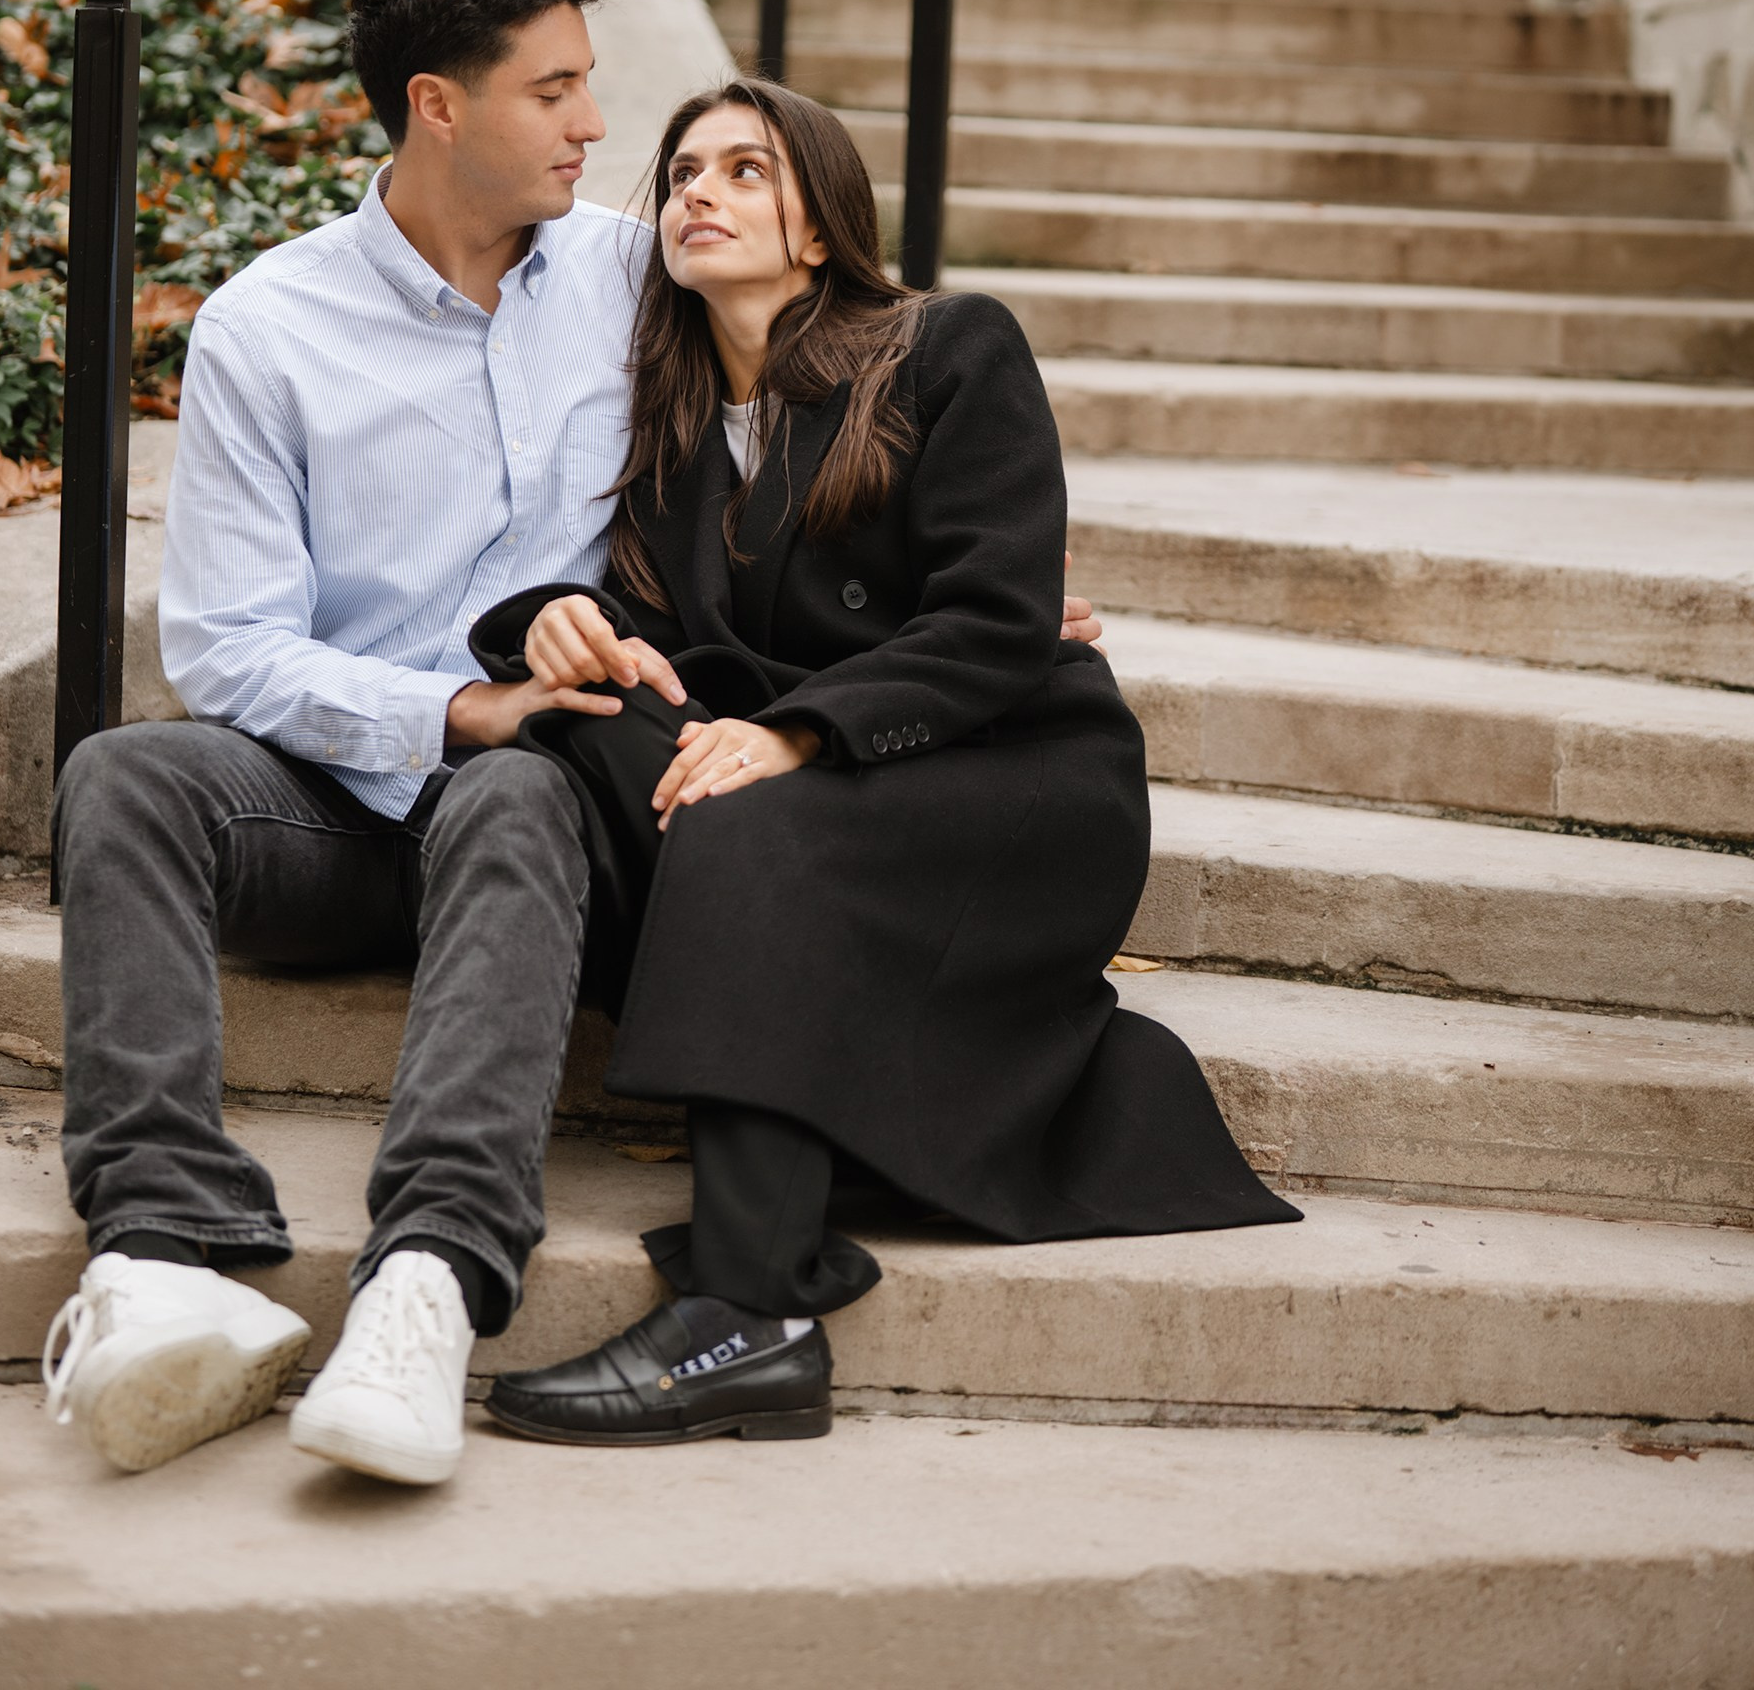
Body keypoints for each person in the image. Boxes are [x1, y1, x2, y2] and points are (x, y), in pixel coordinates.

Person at [38, 0, 1113, 1486]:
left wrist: (989, 600)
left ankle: (426, 1284)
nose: (602, 131)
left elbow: (816, 398)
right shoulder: (268, 331)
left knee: (533, 778)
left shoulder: (634, 273)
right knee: (124, 774)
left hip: (553, 808)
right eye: (556, 93)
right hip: (339, 803)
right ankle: (157, 1248)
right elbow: (228, 645)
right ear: (438, 106)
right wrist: (441, 711)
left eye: (593, 88)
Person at [473, 78, 1300, 1449]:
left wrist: (793, 734)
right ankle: (819, 1122)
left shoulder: (948, 347)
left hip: (1003, 771)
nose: (698, 190)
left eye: (746, 169)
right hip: (833, 787)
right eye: (683, 171)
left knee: (741, 813)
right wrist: (549, 626)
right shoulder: (677, 432)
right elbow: (672, 644)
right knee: (591, 730)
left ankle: (749, 1315)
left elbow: (995, 623)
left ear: (818, 223)